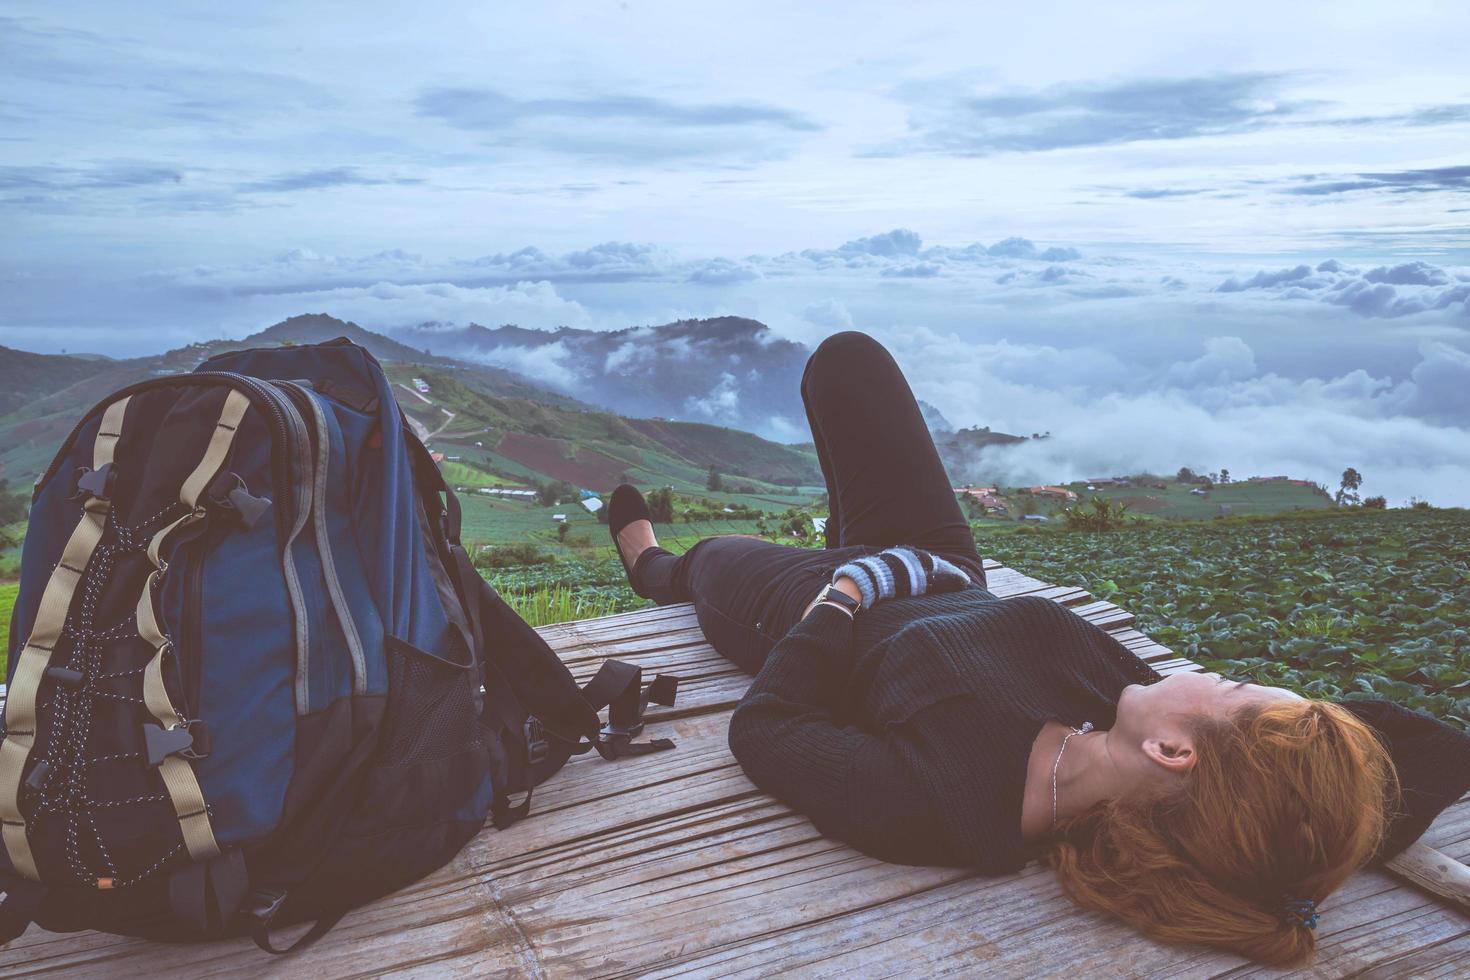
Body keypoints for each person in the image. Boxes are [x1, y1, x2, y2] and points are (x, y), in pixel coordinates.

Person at [605, 331, 1470, 966]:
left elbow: (768, 728)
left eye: (1231, 684)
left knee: (701, 562)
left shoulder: (944, 806)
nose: (1206, 670)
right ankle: (842, 533)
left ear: (1173, 753)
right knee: (846, 361)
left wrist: (847, 591)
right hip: (943, 563)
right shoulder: (1143, 734)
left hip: (813, 611)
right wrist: (1312, 848)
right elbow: (1423, 749)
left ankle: (649, 564)